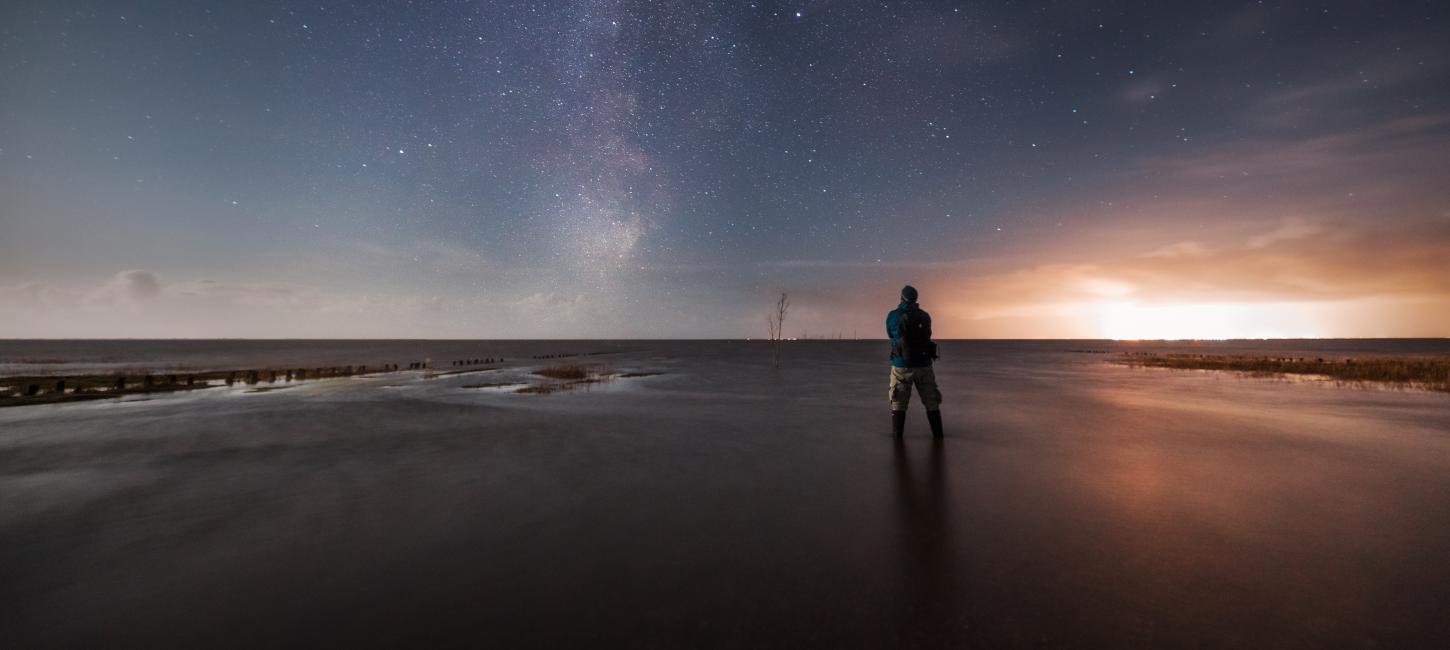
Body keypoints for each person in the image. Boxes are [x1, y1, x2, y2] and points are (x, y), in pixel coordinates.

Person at [886, 285, 943, 439]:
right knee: (932, 402)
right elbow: (928, 335)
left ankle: (898, 440)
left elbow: (891, 334)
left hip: (901, 366)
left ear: (901, 298)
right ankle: (938, 437)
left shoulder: (893, 315)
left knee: (898, 402)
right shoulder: (925, 316)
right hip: (924, 365)